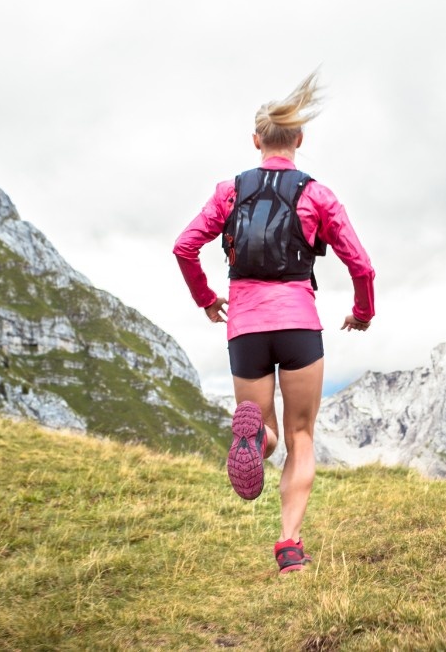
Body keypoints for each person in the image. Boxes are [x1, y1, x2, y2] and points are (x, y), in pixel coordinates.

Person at [172, 71, 375, 574]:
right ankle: (289, 546)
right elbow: (362, 265)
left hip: (244, 326)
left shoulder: (229, 191)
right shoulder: (317, 194)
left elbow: (184, 246)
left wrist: (206, 298)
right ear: (299, 141)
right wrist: (362, 312)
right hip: (298, 323)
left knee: (266, 430)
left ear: (256, 141)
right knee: (302, 435)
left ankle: (254, 441)